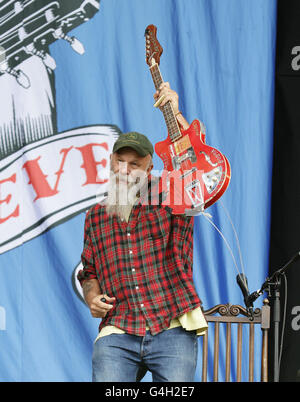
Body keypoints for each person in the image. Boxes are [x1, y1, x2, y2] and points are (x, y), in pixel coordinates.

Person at [77, 82, 208, 382]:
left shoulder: (171, 196)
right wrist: (92, 296)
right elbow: (89, 272)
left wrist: (174, 115)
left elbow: (191, 169)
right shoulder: (96, 216)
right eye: (119, 162)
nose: (124, 170)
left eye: (134, 164)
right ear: (110, 163)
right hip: (119, 329)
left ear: (149, 170)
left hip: (171, 324)